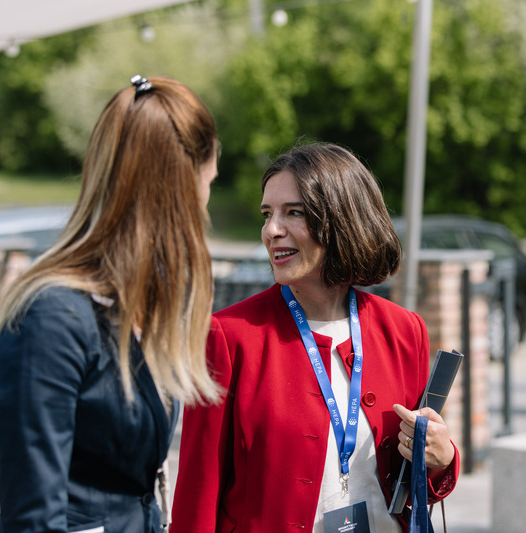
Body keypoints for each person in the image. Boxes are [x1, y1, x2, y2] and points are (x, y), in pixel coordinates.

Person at [172, 142, 458, 532]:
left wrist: (441, 458)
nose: (272, 230)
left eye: (294, 212)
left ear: (343, 219)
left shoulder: (405, 330)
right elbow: (197, 494)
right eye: (267, 214)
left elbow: (410, 482)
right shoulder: (227, 336)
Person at [0, 75, 221, 533]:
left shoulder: (136, 310)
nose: (205, 208)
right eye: (207, 184)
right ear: (181, 190)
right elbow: (34, 519)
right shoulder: (51, 318)